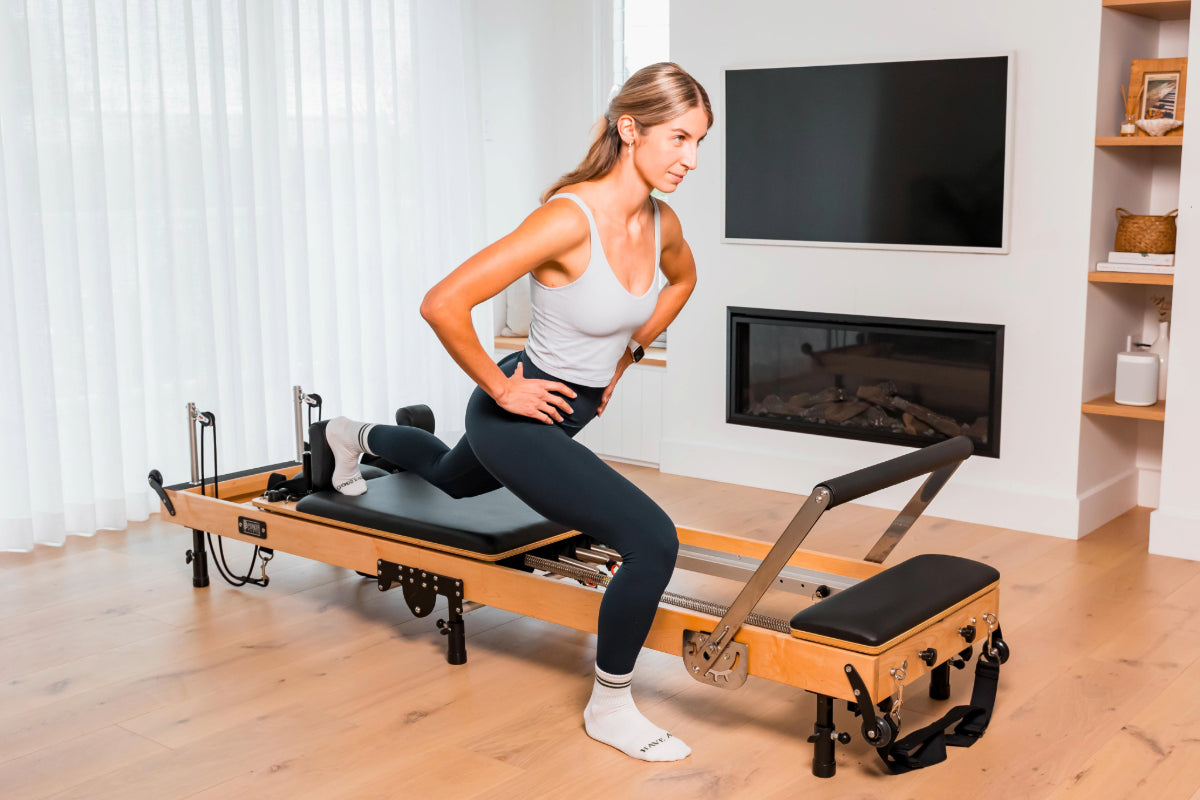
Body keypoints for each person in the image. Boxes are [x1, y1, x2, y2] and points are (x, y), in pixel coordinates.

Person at [326, 62, 711, 762]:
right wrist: (503, 392)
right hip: (515, 412)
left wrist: (631, 350)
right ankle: (612, 705)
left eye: (699, 143)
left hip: (570, 409)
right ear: (631, 129)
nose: (690, 158)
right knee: (652, 540)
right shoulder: (568, 219)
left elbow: (684, 280)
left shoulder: (662, 222)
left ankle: (352, 435)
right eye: (679, 138)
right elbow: (443, 302)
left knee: (450, 478)